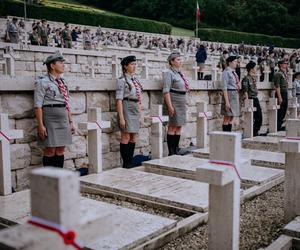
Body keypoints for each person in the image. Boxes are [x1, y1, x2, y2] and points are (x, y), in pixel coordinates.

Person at [34, 53, 75, 168]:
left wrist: (70, 122)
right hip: (50, 117)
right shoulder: (42, 82)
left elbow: (67, 103)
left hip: (63, 117)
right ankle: (49, 180)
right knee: (50, 150)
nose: (63, 65)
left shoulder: (63, 82)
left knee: (61, 149)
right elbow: (38, 105)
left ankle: (58, 179)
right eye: (60, 63)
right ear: (52, 66)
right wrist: (40, 125)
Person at [116, 56, 143, 168]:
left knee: (133, 136)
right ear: (125, 66)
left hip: (135, 107)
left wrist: (140, 112)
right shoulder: (122, 80)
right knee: (126, 136)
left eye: (135, 64)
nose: (134, 66)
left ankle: (130, 160)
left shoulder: (135, 80)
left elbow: (139, 96)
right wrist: (121, 117)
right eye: (132, 64)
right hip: (126, 106)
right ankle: (126, 162)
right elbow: (119, 99)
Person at [163, 52, 189, 155]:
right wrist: (169, 105)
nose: (180, 61)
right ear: (172, 62)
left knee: (179, 126)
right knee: (172, 126)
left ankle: (176, 148)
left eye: (180, 59)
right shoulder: (168, 73)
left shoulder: (179, 73)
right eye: (178, 59)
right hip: (173, 100)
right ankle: (171, 151)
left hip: (181, 100)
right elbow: (166, 91)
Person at [241, 61, 266, 136]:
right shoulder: (246, 78)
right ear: (251, 69)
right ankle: (253, 132)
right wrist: (247, 101)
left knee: (259, 117)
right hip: (251, 99)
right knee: (255, 117)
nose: (256, 70)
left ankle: (255, 131)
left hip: (255, 98)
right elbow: (245, 91)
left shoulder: (252, 78)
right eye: (255, 68)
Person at [220, 56, 240, 132]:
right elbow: (224, 87)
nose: (236, 63)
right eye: (235, 61)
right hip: (229, 94)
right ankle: (225, 135)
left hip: (235, 93)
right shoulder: (226, 72)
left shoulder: (234, 72)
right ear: (230, 62)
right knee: (227, 117)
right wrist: (227, 101)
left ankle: (229, 134)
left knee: (232, 116)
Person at [273, 60, 289, 131]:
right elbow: (277, 86)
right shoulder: (278, 74)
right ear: (280, 65)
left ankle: (280, 125)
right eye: (284, 63)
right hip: (281, 93)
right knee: (280, 111)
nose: (286, 65)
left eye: (286, 63)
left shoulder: (283, 73)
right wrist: (279, 97)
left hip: (285, 93)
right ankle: (277, 127)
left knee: (284, 110)